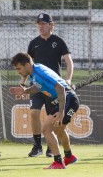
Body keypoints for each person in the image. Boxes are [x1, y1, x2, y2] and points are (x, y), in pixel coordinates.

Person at [10, 52, 79, 169]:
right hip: (62, 100)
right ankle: (69, 157)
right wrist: (25, 91)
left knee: (46, 129)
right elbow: (38, 87)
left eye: (19, 68)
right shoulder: (34, 73)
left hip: (68, 99)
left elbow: (61, 88)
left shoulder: (40, 72)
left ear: (27, 65)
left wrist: (61, 112)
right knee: (58, 130)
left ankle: (58, 162)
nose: (18, 72)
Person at [20, 13, 74, 157]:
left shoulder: (59, 41)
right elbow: (25, 65)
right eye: (39, 23)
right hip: (36, 85)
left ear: (51, 25)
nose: (40, 26)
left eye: (43, 23)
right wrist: (22, 85)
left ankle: (52, 147)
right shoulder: (33, 43)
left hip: (53, 88)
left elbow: (69, 61)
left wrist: (68, 79)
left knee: (55, 119)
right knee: (34, 113)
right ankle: (37, 146)